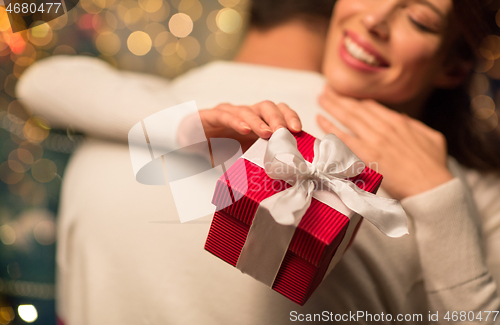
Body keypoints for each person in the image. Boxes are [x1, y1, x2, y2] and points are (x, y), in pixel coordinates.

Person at [17, 1, 500, 325]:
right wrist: (188, 121)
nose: (375, 19)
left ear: (453, 64)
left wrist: (440, 199)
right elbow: (45, 82)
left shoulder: (463, 187)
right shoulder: (169, 111)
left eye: (419, 18)